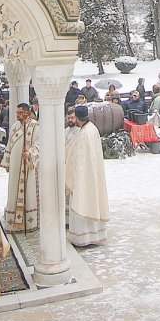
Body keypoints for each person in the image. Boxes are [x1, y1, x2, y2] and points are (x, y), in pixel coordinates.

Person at [64, 105, 109, 246]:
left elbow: (78, 158)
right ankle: (94, 235)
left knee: (82, 201)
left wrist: (70, 171)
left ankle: (83, 237)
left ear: (77, 118)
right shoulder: (92, 128)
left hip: (83, 176)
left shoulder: (84, 134)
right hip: (91, 175)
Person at [1, 103, 40, 233]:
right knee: (13, 190)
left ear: (27, 113)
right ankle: (14, 222)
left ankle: (28, 223)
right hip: (15, 165)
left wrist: (29, 154)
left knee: (28, 192)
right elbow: (9, 145)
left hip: (27, 166)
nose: (17, 115)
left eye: (19, 113)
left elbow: (39, 144)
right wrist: (7, 162)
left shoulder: (35, 126)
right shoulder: (15, 126)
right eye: (16, 113)